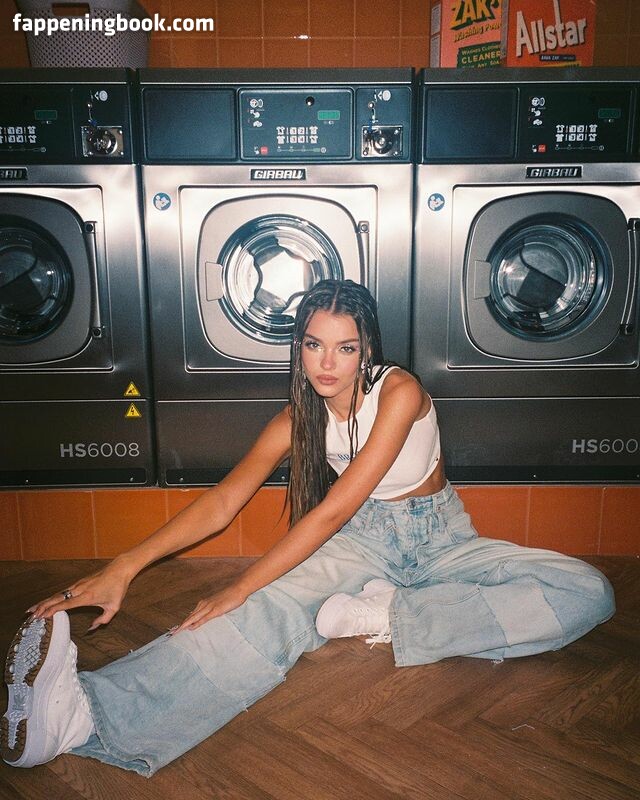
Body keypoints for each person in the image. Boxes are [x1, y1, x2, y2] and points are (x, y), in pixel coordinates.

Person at [2, 280, 615, 777]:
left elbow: (330, 512)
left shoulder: (399, 391)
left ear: (367, 350)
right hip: (365, 544)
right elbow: (222, 503)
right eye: (314, 344)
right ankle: (85, 716)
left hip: (444, 541)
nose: (327, 362)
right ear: (298, 346)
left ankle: (390, 615)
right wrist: (125, 566)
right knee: (259, 610)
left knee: (587, 590)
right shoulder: (298, 418)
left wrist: (238, 582)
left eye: (345, 348)